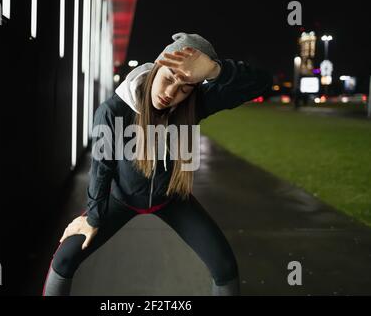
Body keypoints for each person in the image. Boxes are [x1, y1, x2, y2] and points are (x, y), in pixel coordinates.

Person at [42, 32, 272, 296]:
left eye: (184, 88)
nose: (171, 93)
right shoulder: (114, 110)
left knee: (225, 266)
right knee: (64, 259)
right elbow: (101, 168)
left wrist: (215, 71)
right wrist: (93, 217)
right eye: (168, 79)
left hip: (172, 199)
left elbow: (261, 84)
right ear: (156, 68)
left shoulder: (194, 106)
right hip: (120, 200)